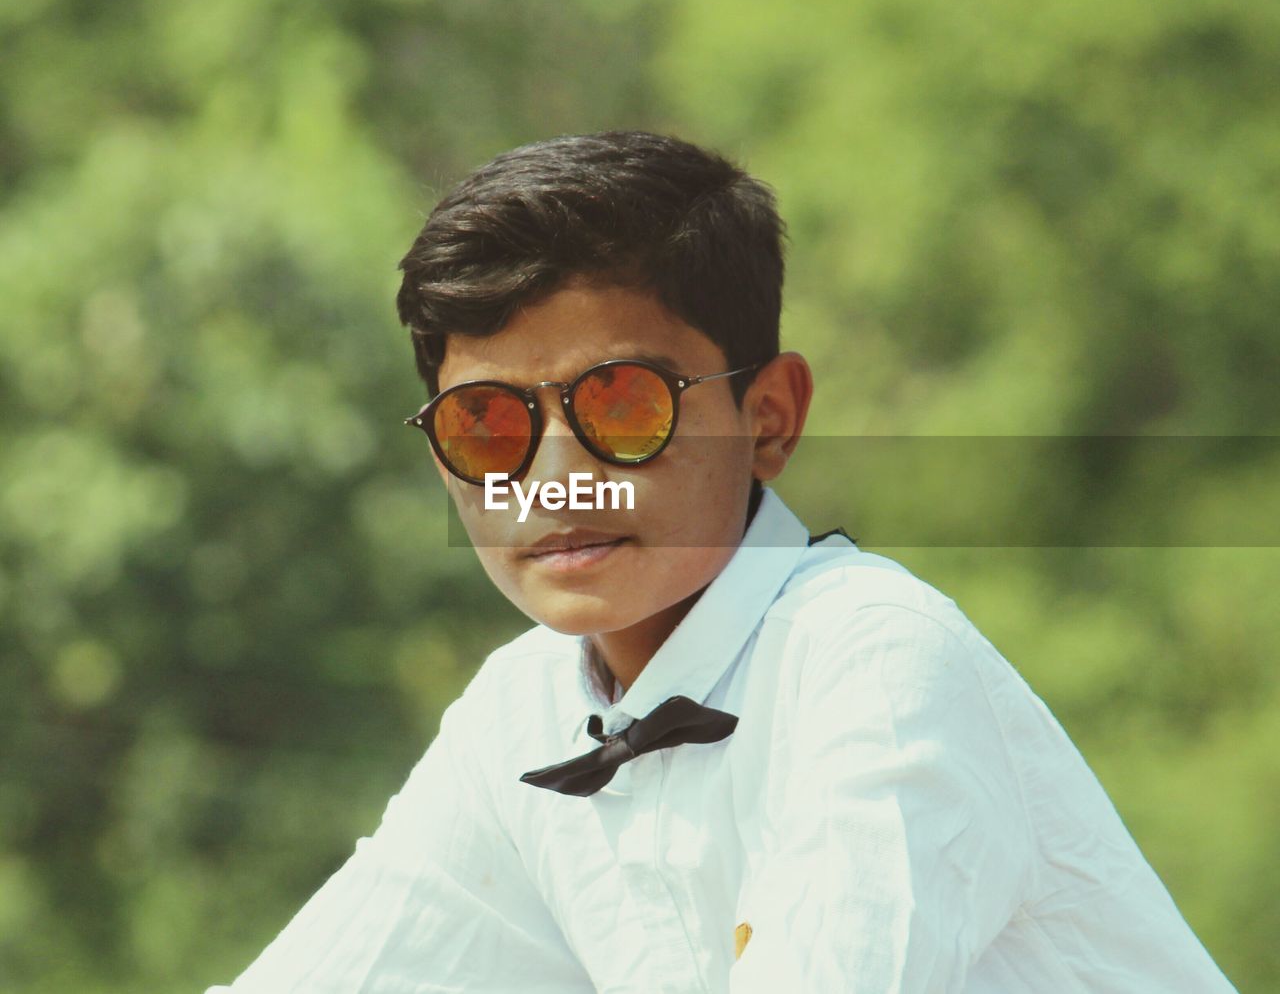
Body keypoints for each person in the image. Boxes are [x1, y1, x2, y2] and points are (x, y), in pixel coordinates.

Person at [206, 131, 1236, 992]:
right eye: (485, 424)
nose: (556, 477)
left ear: (769, 417)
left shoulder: (868, 660)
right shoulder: (516, 716)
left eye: (621, 406)